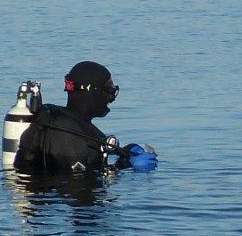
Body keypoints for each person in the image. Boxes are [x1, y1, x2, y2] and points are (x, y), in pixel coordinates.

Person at [14, 60, 149, 176]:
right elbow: (80, 188)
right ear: (93, 93)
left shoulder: (56, 118)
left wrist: (125, 153)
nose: (111, 97)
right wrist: (122, 167)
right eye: (108, 89)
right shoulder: (68, 133)